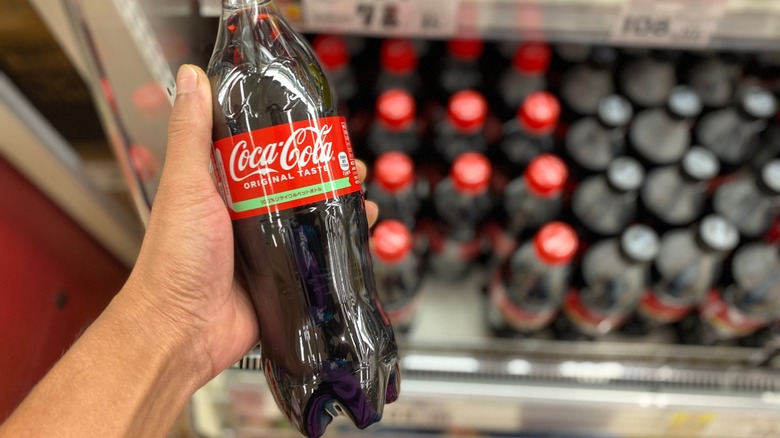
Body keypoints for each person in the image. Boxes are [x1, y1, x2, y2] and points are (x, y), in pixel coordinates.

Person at [0, 65, 378, 437]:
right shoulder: (238, 76)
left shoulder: (264, 67)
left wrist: (176, 325)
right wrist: (176, 318)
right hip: (287, 326)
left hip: (333, 304)